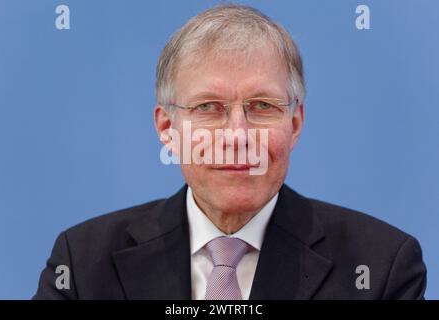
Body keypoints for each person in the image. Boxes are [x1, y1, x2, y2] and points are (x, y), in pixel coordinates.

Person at [34, 4, 426, 300]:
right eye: (208, 107)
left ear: (295, 124)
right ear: (167, 129)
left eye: (262, 106)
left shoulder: (381, 267)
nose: (237, 136)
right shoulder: (83, 265)